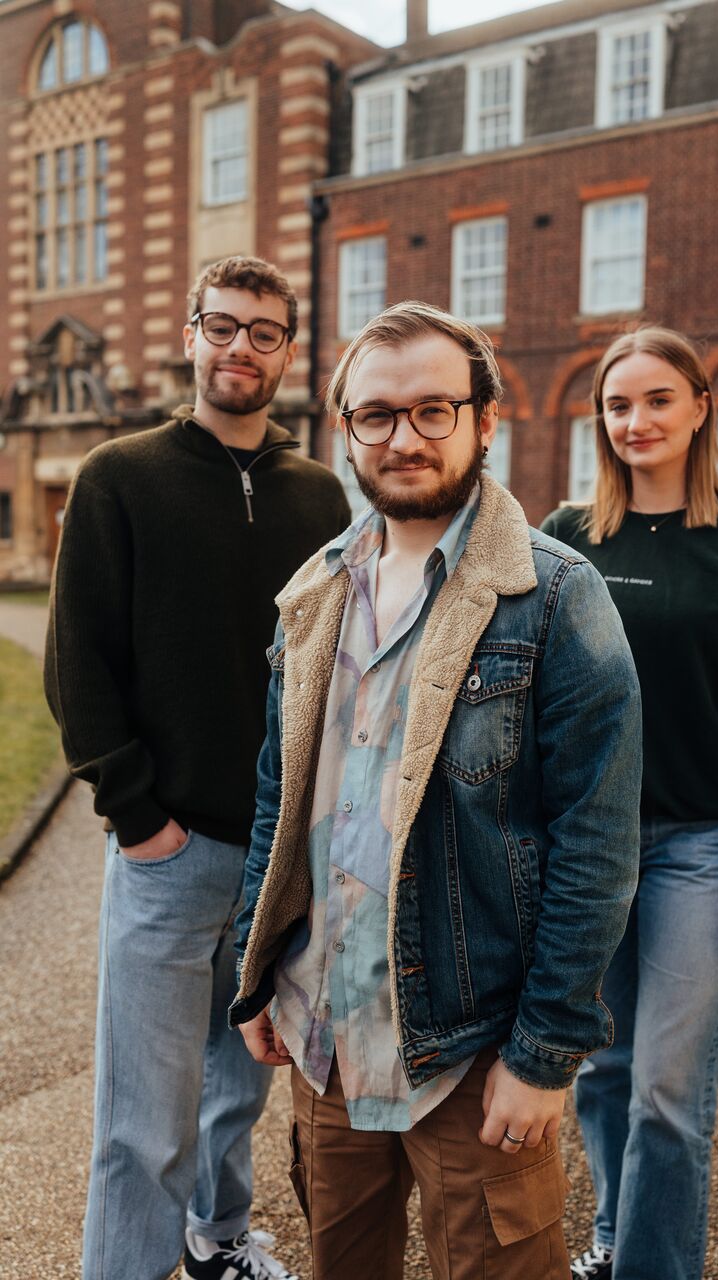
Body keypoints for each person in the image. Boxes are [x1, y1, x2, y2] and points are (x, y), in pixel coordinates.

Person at [229, 300, 643, 1280]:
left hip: (471, 1049)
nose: (403, 437)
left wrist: (545, 1051)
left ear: (483, 420)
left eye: (432, 409)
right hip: (326, 1041)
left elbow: (598, 842)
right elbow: (276, 800)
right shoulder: (315, 588)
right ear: (346, 430)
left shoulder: (552, 594)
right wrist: (255, 969)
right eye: (377, 414)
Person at [44, 255, 351, 1280]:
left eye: (264, 332)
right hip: (167, 850)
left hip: (278, 856)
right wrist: (138, 817)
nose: (240, 347)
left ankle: (216, 1240)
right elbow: (75, 659)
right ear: (190, 333)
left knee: (238, 1086)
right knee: (144, 1113)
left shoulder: (319, 496)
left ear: (286, 350)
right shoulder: (118, 476)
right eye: (222, 325)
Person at [541, 327, 718, 1280]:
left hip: (699, 847)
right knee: (602, 1071)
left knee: (667, 1087)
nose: (635, 420)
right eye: (617, 404)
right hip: (586, 846)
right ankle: (615, 1239)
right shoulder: (568, 539)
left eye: (657, 399)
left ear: (701, 406)